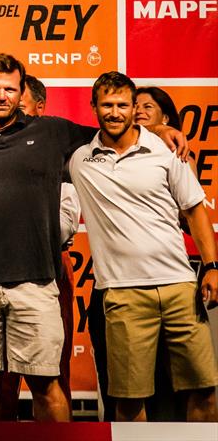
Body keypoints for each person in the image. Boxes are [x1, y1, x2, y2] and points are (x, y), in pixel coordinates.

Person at [0, 53, 186, 422]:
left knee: (47, 383)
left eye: (10, 88)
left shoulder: (51, 131)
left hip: (37, 281)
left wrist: (159, 131)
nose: (2, 96)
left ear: (22, 92)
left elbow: (113, 132)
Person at [68, 71, 218, 422]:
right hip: (123, 294)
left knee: (203, 390)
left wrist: (211, 267)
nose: (115, 112)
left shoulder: (165, 152)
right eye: (107, 105)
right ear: (94, 108)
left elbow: (195, 211)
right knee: (129, 399)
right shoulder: (80, 159)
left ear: (135, 108)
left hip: (181, 287)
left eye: (123, 105)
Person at [0, 75, 80, 420]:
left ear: (40, 109)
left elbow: (64, 224)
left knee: (52, 374)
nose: (9, 109)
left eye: (20, 103)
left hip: (46, 267)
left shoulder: (58, 151)